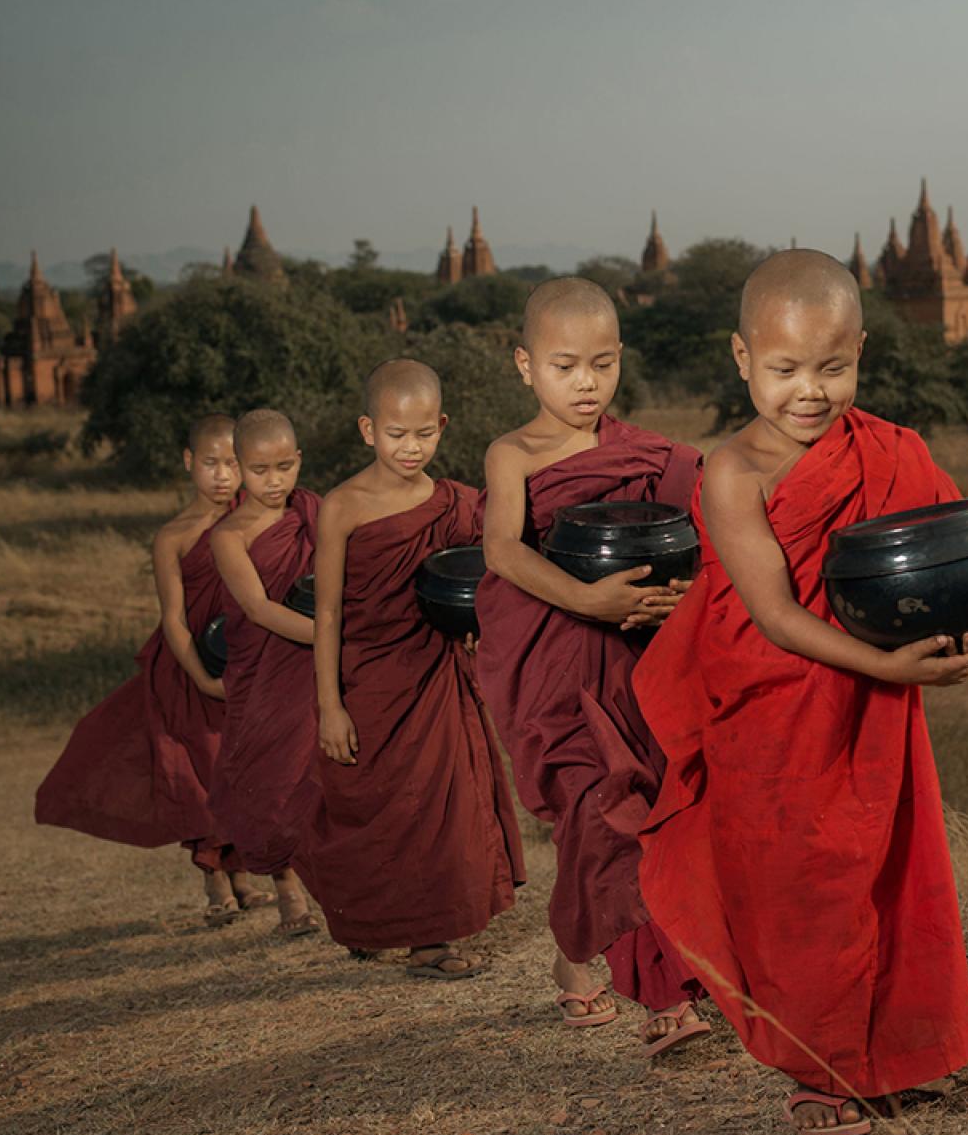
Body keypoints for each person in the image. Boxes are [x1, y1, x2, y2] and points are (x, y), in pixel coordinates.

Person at [635, 250, 968, 1135]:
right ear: (740, 358)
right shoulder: (731, 473)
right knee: (802, 889)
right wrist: (892, 667)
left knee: (879, 878)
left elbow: (954, 557)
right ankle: (817, 1072)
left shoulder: (890, 451)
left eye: (832, 368)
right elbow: (771, 614)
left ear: (862, 354)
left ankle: (885, 1058)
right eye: (785, 369)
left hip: (871, 706)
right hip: (772, 708)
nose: (810, 391)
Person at [475, 279, 712, 1058]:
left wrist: (663, 603)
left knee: (642, 809)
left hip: (639, 664)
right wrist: (587, 598)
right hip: (556, 665)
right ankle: (643, 980)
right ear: (525, 364)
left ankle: (614, 968)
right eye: (565, 365)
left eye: (603, 364)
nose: (586, 383)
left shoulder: (649, 454)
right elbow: (504, 550)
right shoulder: (511, 453)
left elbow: (690, 543)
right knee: (594, 808)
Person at [303, 359, 524, 975]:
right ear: (367, 429)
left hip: (436, 674)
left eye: (424, 433)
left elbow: (482, 578)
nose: (411, 447)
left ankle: (433, 941)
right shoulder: (343, 506)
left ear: (443, 426)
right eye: (397, 434)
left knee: (439, 809)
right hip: (369, 677)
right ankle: (369, 915)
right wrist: (330, 705)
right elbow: (327, 613)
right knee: (371, 807)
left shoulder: (454, 502)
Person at [34, 414, 274, 923]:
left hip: (247, 664)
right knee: (198, 773)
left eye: (232, 463)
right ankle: (214, 876)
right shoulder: (174, 536)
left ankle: (245, 874)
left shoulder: (257, 521)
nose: (222, 476)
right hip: (187, 670)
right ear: (189, 463)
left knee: (240, 768)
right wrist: (203, 677)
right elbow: (171, 617)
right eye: (210, 463)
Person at [207, 407, 325, 936]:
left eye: (284, 467)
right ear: (239, 468)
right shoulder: (228, 535)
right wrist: (333, 639)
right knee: (270, 782)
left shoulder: (315, 512)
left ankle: (343, 895)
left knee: (325, 778)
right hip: (269, 668)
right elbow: (257, 608)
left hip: (323, 667)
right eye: (259, 470)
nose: (274, 481)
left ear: (298, 461)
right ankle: (289, 897)